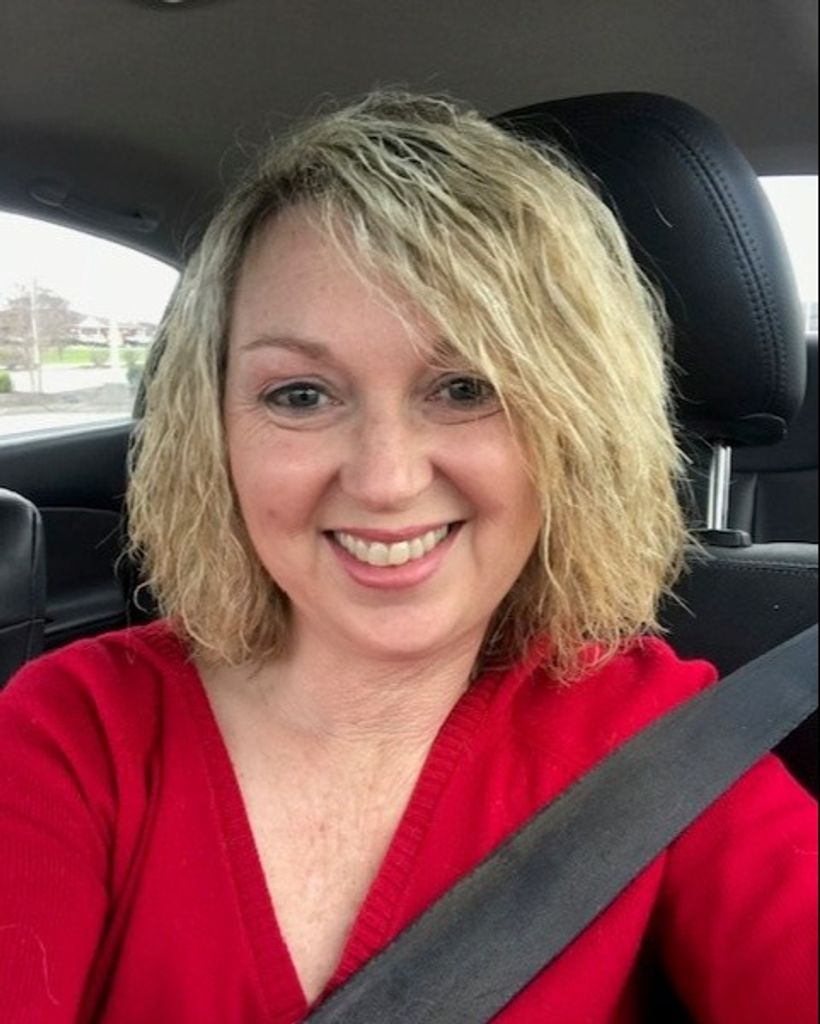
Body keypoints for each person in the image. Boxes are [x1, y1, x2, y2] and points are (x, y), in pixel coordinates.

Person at [0, 91, 816, 1024]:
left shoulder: (663, 746)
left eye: (465, 388)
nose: (385, 480)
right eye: (300, 395)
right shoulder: (74, 731)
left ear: (575, 423)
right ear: (212, 430)